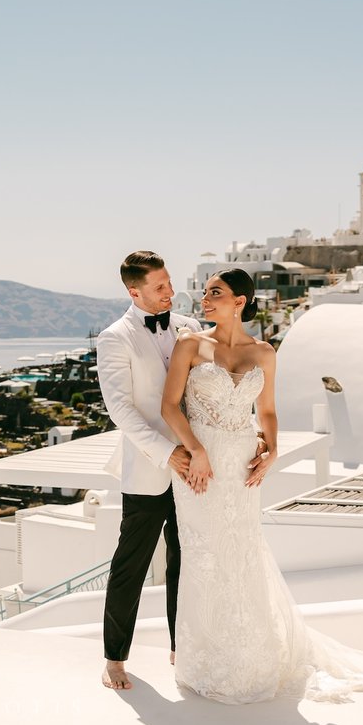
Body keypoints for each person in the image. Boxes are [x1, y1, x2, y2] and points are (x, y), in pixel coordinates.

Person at [161, 268, 363, 702]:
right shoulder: (190, 344)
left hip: (242, 466)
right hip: (199, 468)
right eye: (205, 292)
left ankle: (248, 657)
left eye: (216, 293)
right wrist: (197, 450)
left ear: (240, 301)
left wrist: (274, 449)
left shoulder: (264, 352)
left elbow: (268, 413)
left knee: (241, 553)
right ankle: (203, 659)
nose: (205, 299)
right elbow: (170, 407)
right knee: (203, 556)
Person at [97, 251, 252, 691]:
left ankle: (180, 648)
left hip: (198, 469)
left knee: (187, 563)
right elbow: (122, 412)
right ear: (135, 291)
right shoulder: (115, 338)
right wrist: (169, 453)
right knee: (131, 565)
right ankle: (114, 659)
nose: (170, 292)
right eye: (160, 287)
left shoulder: (187, 327)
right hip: (150, 469)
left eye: (169, 283)